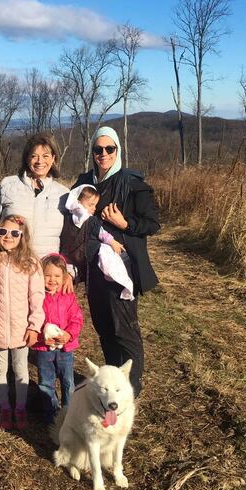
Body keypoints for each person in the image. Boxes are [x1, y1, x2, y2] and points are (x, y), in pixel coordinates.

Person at [70, 126, 160, 397]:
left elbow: (152, 223)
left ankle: (131, 387)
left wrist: (124, 223)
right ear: (92, 153)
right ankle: (113, 380)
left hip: (123, 268)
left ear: (118, 151)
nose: (104, 154)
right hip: (94, 268)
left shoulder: (132, 184)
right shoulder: (84, 183)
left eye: (110, 149)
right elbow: (70, 213)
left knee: (125, 329)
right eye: (98, 150)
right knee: (104, 326)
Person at [0, 214, 45, 430]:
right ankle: (5, 407)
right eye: (3, 231)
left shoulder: (30, 263)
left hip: (21, 329)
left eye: (14, 233)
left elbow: (37, 296)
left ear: (22, 236)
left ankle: (20, 407)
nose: (8, 236)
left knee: (21, 370)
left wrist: (34, 326)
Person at [0, 134, 70, 274]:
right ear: (27, 158)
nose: (39, 161)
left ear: (54, 159)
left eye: (46, 156)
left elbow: (71, 237)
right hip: (9, 270)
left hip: (46, 273)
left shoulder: (64, 195)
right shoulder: (8, 185)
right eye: (34, 156)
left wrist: (69, 271)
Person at [30, 254, 83, 425]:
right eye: (47, 275)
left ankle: (69, 413)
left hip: (65, 350)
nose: (52, 280)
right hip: (44, 350)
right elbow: (31, 322)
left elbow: (77, 319)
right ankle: (51, 415)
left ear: (64, 277)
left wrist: (69, 335)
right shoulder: (36, 298)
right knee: (46, 382)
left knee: (68, 381)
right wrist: (40, 338)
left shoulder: (67, 296)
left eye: (57, 276)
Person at [64, 184, 135, 300]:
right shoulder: (89, 220)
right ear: (78, 202)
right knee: (106, 252)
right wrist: (113, 242)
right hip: (83, 255)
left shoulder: (68, 218)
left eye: (95, 205)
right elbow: (102, 234)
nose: (94, 208)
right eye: (91, 205)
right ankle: (117, 278)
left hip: (73, 257)